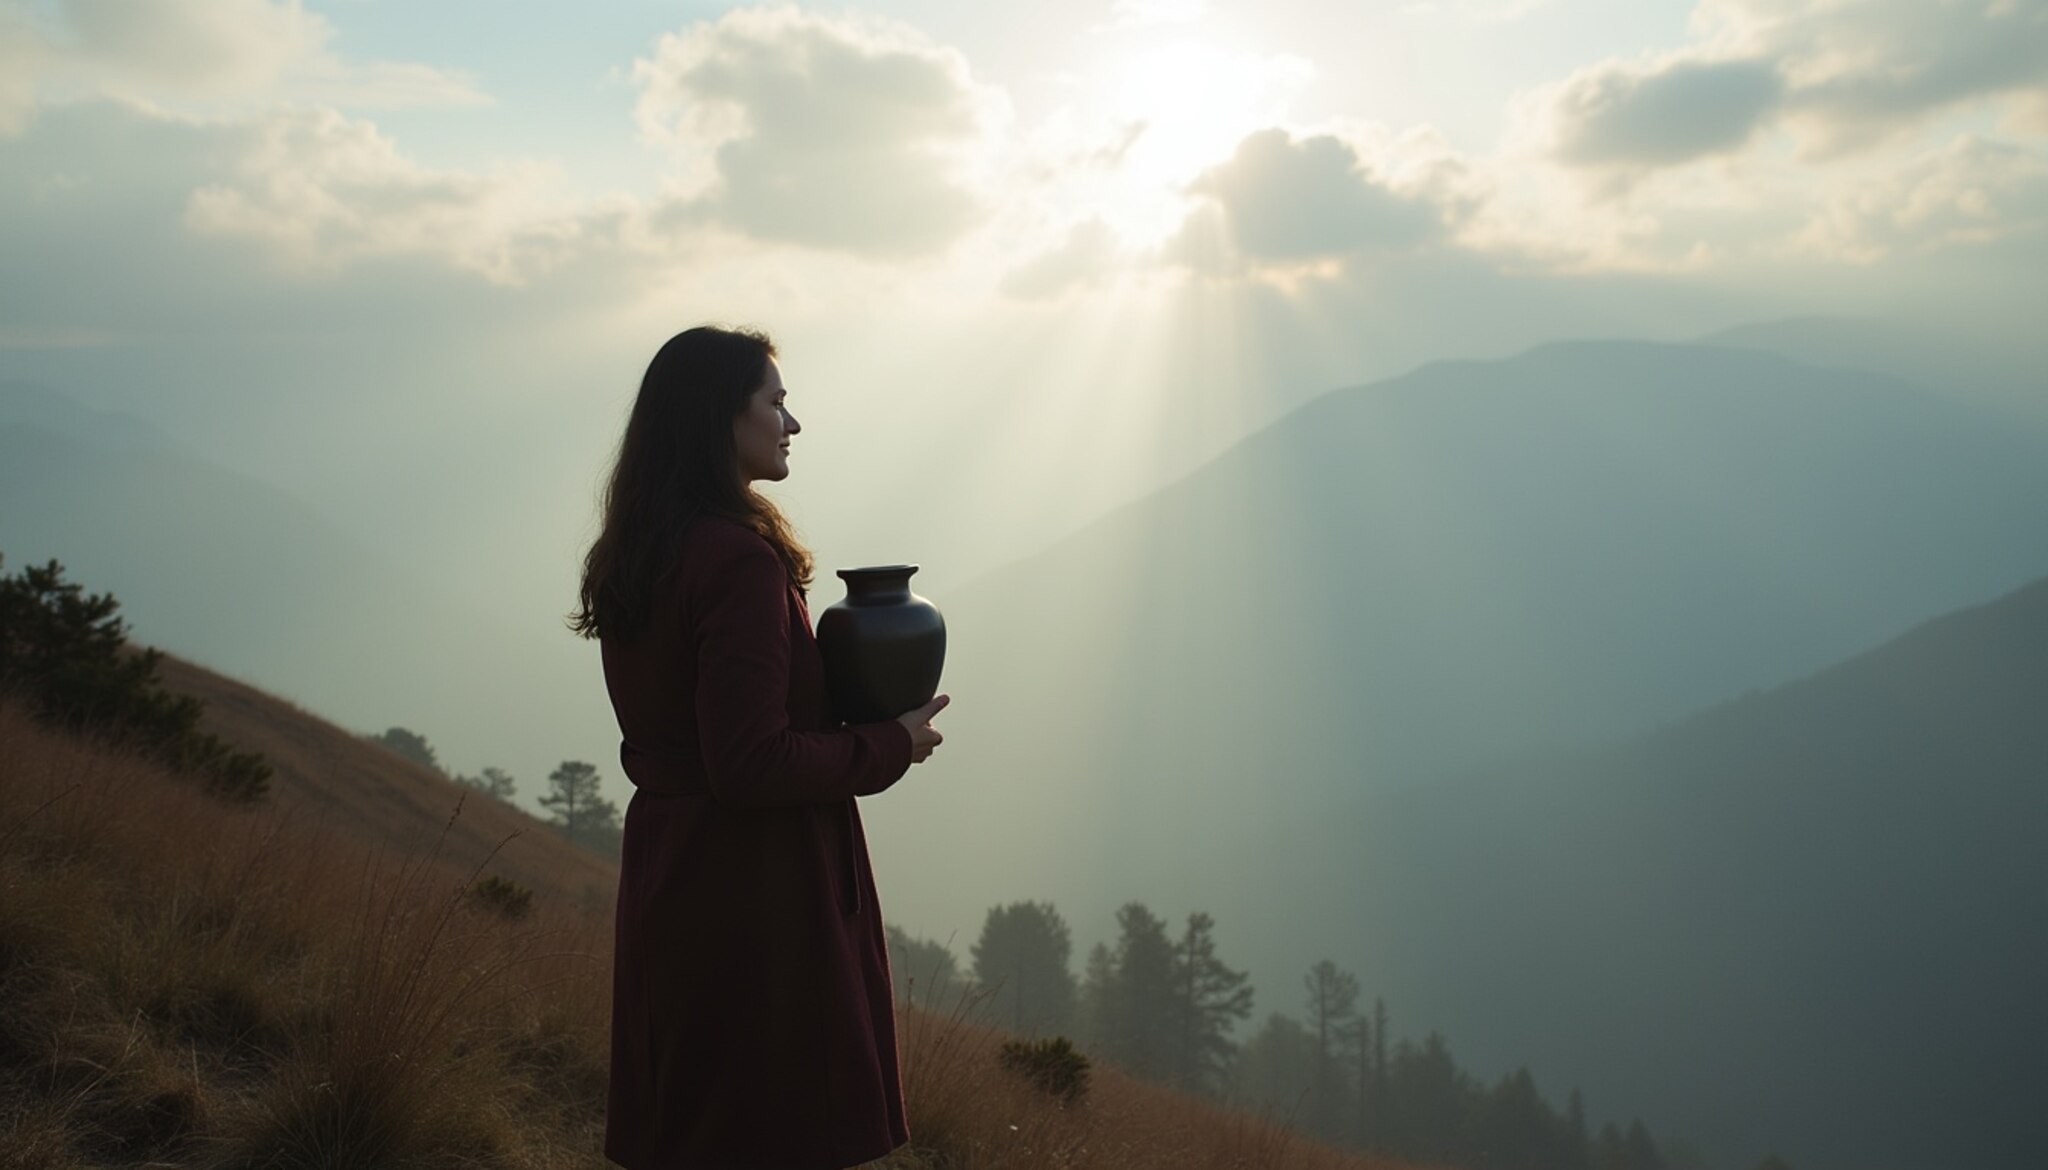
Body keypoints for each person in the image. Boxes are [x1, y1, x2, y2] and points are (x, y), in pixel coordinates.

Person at [571, 325, 949, 1170]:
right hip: (756, 900)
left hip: (674, 877)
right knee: (767, 1134)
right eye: (774, 402)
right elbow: (750, 763)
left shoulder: (641, 551)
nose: (793, 422)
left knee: (694, 1127)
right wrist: (887, 743)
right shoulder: (736, 562)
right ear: (720, 417)